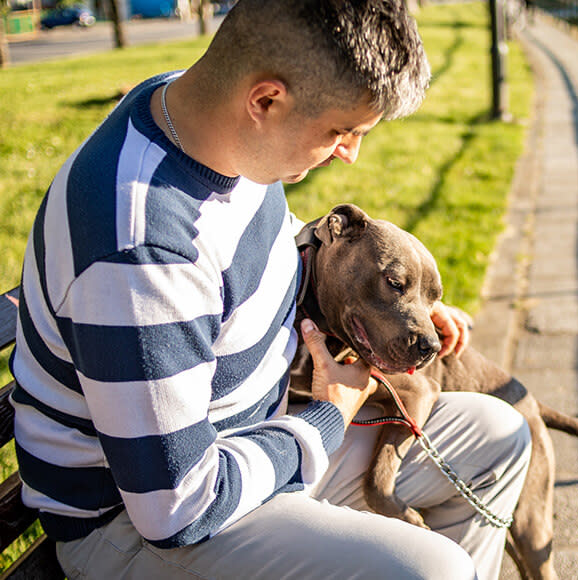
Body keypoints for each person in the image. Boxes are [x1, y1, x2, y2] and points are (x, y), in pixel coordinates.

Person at [10, 0, 531, 578]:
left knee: (499, 437)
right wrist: (326, 419)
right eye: (340, 130)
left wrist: (399, 308)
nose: (349, 152)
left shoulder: (209, 129)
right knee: (434, 571)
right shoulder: (142, 252)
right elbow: (177, 507)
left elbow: (266, 254)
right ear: (266, 100)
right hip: (140, 525)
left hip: (257, 441)